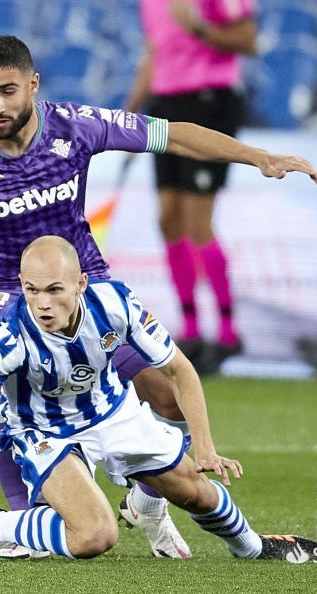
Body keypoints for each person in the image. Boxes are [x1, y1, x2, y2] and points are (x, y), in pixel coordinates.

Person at [0, 35, 317, 559]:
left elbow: (173, 135)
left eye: (7, 91)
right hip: (2, 296)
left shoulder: (75, 126)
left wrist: (257, 156)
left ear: (33, 85)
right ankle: (21, 522)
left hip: (84, 287)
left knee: (167, 395)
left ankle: (146, 500)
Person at [0, 236, 317, 563]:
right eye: (32, 290)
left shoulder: (116, 303)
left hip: (114, 413)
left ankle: (253, 548)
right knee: (95, 535)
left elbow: (179, 370)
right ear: (21, 286)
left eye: (54, 290)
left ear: (81, 283)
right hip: (45, 433)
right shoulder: (9, 339)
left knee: (197, 494)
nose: (42, 304)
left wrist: (205, 447)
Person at [125, 0, 258, 373]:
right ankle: (192, 330)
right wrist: (130, 114)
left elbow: (248, 40)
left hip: (208, 101)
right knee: (168, 220)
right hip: (165, 104)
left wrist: (199, 28)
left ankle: (228, 333)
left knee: (198, 223)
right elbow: (154, 53)